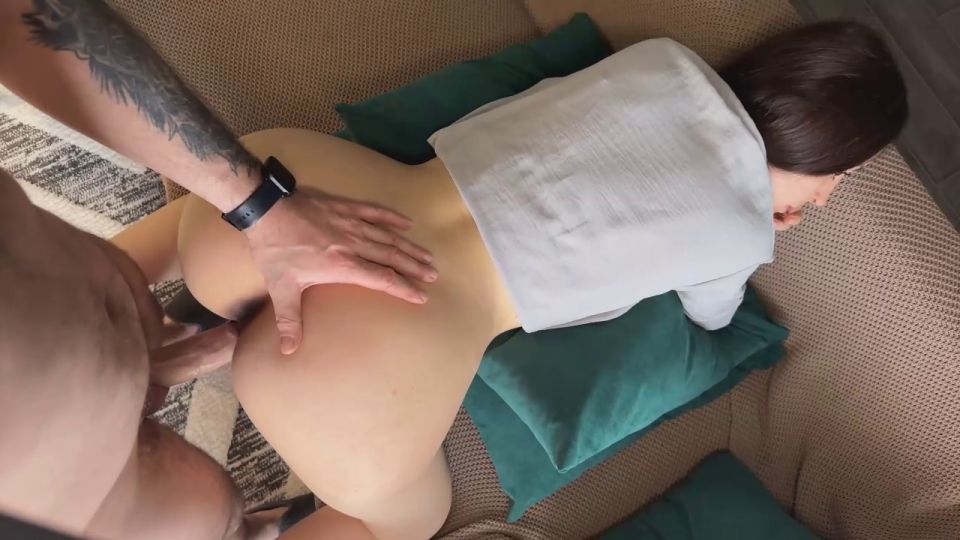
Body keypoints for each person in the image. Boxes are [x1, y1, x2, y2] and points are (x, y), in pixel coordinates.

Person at [112, 20, 908, 540]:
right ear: (827, 153)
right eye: (838, 180)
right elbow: (710, 317)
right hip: (380, 358)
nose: (827, 199)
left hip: (311, 197)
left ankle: (120, 290)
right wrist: (763, 222)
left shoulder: (663, 60)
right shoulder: (742, 235)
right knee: (412, 520)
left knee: (196, 228)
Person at [0, 0, 436, 538]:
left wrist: (257, 205)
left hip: (91, 390)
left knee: (399, 513)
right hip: (104, 486)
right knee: (396, 520)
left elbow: (23, 18)